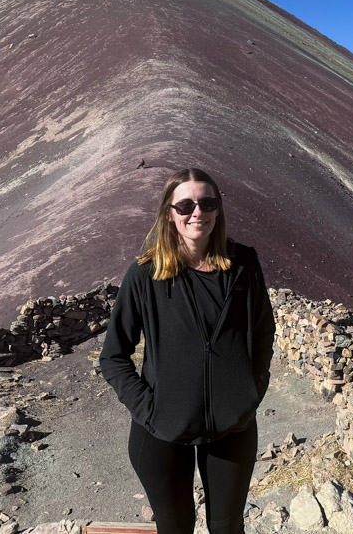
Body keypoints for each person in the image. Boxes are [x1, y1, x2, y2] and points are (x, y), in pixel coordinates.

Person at [100, 168, 275, 534]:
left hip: (233, 427)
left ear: (218, 209)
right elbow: (114, 356)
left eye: (207, 203)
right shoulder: (145, 275)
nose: (197, 212)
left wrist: (252, 390)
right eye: (185, 204)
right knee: (176, 527)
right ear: (169, 213)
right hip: (161, 432)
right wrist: (149, 409)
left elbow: (263, 332)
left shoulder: (243, 265)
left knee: (228, 528)